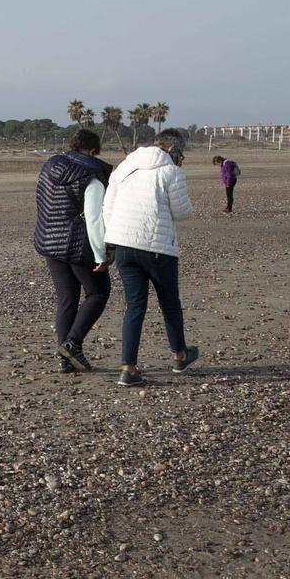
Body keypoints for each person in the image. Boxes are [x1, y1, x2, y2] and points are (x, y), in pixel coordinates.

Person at [102, 128, 198, 386]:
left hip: (123, 245)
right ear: (175, 150)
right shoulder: (171, 171)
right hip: (157, 248)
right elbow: (182, 212)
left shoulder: (124, 167)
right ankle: (179, 355)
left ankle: (128, 368)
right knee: (169, 302)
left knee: (134, 306)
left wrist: (110, 243)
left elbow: (107, 207)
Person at [32, 127, 113, 372]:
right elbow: (94, 217)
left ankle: (64, 360)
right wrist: (102, 254)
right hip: (78, 244)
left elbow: (41, 200)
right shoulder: (93, 175)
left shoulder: (50, 166)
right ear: (94, 149)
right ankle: (72, 343)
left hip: (48, 240)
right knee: (98, 292)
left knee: (67, 298)